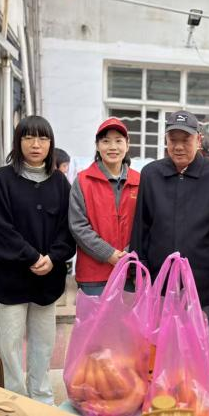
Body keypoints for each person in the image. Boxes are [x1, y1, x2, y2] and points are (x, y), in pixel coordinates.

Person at [130, 110, 209, 386]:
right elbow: (141, 226)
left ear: (198, 140)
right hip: (160, 282)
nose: (178, 146)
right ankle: (164, 399)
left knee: (204, 352)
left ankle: (208, 399)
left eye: (185, 140)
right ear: (165, 140)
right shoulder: (151, 174)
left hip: (203, 283)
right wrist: (138, 273)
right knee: (160, 351)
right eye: (172, 139)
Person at [0, 115, 75, 404]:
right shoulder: (2, 179)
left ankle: (41, 398)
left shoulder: (60, 183)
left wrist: (54, 257)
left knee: (43, 343)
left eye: (43, 138)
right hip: (9, 279)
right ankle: (15, 401)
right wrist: (32, 256)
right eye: (29, 137)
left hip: (47, 279)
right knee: (9, 345)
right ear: (18, 141)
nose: (36, 144)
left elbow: (68, 228)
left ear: (51, 143)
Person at [68, 117, 140, 296]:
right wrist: (109, 254)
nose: (112, 147)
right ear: (97, 146)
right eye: (106, 141)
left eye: (118, 141)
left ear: (127, 145)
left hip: (130, 271)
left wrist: (128, 254)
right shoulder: (83, 181)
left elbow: (146, 224)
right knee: (95, 317)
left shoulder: (140, 181)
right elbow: (78, 226)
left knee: (128, 316)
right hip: (94, 275)